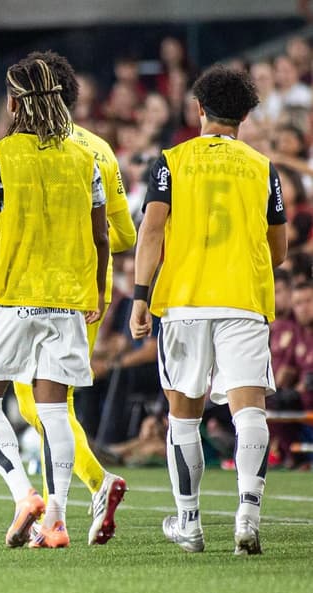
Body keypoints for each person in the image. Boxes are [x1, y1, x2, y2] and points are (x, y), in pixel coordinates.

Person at [0, 56, 109, 549]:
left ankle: (24, 495)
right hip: (66, 301)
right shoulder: (85, 159)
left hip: (12, 298)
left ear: (13, 104)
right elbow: (101, 236)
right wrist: (97, 291)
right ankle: (56, 520)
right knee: (55, 412)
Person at [131, 65, 288, 555]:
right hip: (243, 299)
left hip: (184, 302)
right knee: (249, 411)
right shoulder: (264, 168)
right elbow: (279, 250)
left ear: (198, 109)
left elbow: (151, 231)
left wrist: (140, 295)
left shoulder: (171, 162)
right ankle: (248, 517)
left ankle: (190, 524)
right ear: (245, 116)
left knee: (184, 416)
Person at [7, 50, 135, 546]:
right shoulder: (98, 148)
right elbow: (123, 235)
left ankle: (96, 484)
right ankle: (54, 515)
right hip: (90, 288)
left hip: (42, 286)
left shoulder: (24, 149)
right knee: (55, 401)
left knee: (38, 403)